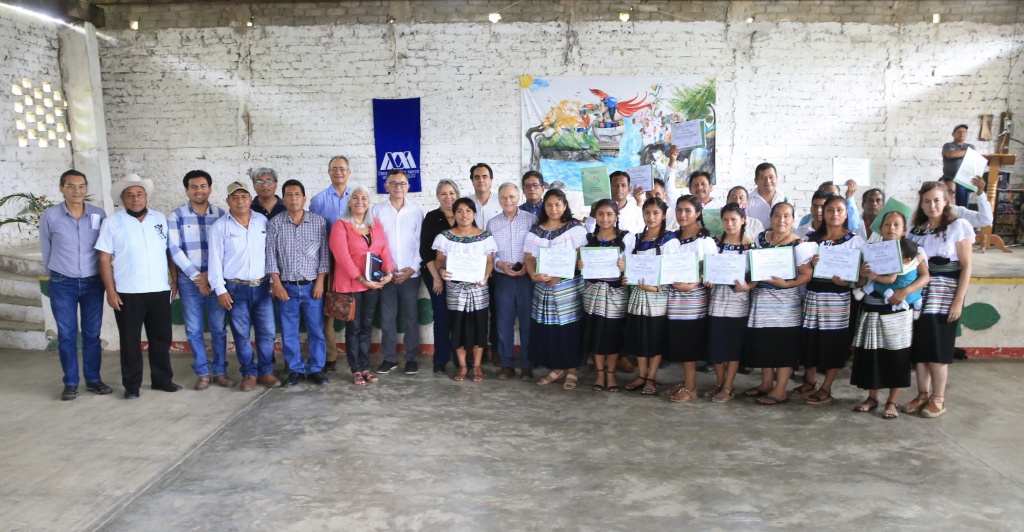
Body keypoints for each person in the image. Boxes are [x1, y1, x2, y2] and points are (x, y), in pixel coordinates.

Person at [95, 174, 181, 399]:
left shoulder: (159, 219)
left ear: (146, 196)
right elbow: (104, 258)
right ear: (123, 199)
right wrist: (110, 291)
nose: (136, 199)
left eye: (139, 194)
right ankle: (132, 386)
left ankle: (162, 380)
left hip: (159, 290)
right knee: (130, 341)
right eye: (130, 195)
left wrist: (173, 280)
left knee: (161, 339)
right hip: (127, 292)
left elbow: (169, 252)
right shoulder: (112, 223)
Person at [850, 211, 930, 419]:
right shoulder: (870, 250)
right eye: (887, 224)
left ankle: (892, 401)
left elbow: (925, 277)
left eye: (896, 225)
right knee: (873, 355)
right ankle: (872, 397)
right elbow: (859, 283)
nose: (891, 228)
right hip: (872, 308)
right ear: (881, 228)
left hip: (899, 310)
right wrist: (862, 275)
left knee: (897, 355)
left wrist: (905, 292)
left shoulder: (913, 250)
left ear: (904, 230)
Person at [905, 181, 973, 418]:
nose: (931, 205)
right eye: (926, 201)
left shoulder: (958, 226)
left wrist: (958, 300)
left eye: (936, 200)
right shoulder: (916, 231)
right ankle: (922, 394)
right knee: (921, 348)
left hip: (945, 294)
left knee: (937, 348)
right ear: (921, 203)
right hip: (920, 295)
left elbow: (966, 267)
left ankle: (938, 398)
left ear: (946, 201)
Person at [41, 169, 109, 401]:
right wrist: (52, 274)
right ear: (62, 188)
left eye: (81, 186)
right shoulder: (51, 216)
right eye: (71, 186)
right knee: (67, 335)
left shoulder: (98, 214)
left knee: (92, 334)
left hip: (93, 283)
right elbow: (46, 248)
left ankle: (93, 379)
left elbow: (105, 247)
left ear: (86, 188)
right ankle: (70, 382)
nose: (76, 190)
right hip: (62, 283)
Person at [792, 195, 865, 405]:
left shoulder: (855, 241)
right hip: (813, 294)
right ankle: (810, 380)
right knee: (810, 339)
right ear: (823, 213)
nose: (834, 214)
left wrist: (848, 281)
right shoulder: (812, 240)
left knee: (833, 342)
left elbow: (862, 278)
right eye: (830, 210)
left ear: (846, 214)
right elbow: (801, 270)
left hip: (838, 298)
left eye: (839, 210)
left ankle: (826, 387)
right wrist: (810, 264)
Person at [208, 182, 279, 391]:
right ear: (228, 201)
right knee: (241, 335)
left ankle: (266, 371)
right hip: (235, 289)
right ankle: (249, 373)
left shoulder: (262, 221)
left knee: (267, 332)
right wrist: (220, 290)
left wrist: (274, 281)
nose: (240, 201)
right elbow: (214, 260)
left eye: (244, 197)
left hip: (262, 287)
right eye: (235, 197)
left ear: (250, 199)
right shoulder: (220, 226)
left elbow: (270, 253)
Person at [742, 202, 815, 405]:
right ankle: (766, 384)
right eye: (777, 215)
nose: (781, 220)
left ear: (793, 219)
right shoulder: (761, 239)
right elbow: (754, 267)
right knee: (765, 342)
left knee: (784, 345)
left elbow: (806, 275)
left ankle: (780, 389)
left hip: (786, 302)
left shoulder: (799, 244)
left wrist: (786, 284)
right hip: (762, 299)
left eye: (786, 216)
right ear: (771, 217)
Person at [168, 170, 230, 391]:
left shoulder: (222, 215)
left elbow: (226, 249)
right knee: (194, 329)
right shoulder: (176, 216)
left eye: (203, 186)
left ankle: (220, 371)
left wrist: (210, 276)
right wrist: (197, 277)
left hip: (216, 279)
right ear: (187, 190)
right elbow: (174, 249)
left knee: (219, 329)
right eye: (193, 187)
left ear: (210, 189)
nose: (199, 190)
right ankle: (203, 373)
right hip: (189, 281)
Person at [266, 179, 330, 387]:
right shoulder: (275, 223)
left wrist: (320, 282)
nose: (293, 198)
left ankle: (316, 369)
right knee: (289, 331)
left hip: (312, 286)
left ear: (304, 198)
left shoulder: (318, 222)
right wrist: (276, 284)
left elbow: (324, 255)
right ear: (283, 199)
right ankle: (295, 369)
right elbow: (270, 256)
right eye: (288, 195)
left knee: (316, 330)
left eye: (297, 194)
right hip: (286, 287)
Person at [523, 189, 588, 389]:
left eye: (558, 204)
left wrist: (559, 276)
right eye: (549, 205)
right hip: (543, 288)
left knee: (569, 329)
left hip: (568, 289)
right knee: (549, 330)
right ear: (544, 207)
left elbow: (581, 255)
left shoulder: (574, 228)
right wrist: (534, 276)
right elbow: (528, 258)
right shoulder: (536, 231)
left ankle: (572, 370)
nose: (553, 209)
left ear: (565, 206)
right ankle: (557, 369)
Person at [329, 186, 395, 386]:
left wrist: (389, 273)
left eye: (364, 198)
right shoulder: (341, 226)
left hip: (372, 285)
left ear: (369, 202)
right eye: (355, 197)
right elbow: (342, 257)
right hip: (351, 285)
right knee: (354, 328)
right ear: (349, 202)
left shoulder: (375, 224)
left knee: (366, 327)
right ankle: (356, 369)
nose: (360, 201)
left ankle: (365, 368)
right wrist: (361, 279)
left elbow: (384, 250)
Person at [434, 198, 498, 382]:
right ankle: (462, 366)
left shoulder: (485, 236)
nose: (464, 215)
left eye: (468, 211)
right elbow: (439, 260)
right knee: (457, 327)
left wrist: (486, 276)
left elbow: (490, 261)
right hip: (455, 290)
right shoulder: (445, 236)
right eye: (459, 211)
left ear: (474, 213)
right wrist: (441, 270)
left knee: (479, 327)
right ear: (454, 214)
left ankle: (477, 366)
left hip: (479, 289)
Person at [663, 195, 718, 403]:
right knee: (679, 340)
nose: (682, 214)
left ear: (698, 213)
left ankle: (691, 386)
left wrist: (694, 284)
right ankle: (686, 381)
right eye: (679, 210)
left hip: (693, 299)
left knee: (689, 341)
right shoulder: (672, 239)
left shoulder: (705, 241)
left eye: (688, 210)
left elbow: (710, 271)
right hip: (674, 297)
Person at [622, 198, 679, 396]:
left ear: (663, 215)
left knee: (654, 338)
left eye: (656, 213)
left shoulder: (669, 240)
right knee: (640, 337)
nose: (651, 217)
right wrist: (626, 275)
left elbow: (672, 271)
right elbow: (629, 265)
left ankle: (651, 377)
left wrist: (655, 287)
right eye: (647, 212)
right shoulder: (636, 238)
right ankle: (641, 374)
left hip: (657, 297)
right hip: (638, 295)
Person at [371, 169, 423, 375]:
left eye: (402, 183)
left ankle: (411, 359)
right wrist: (387, 270)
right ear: (386, 186)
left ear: (408, 187)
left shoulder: (416, 211)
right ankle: (389, 358)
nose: (398, 187)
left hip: (411, 274)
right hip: (387, 275)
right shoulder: (377, 211)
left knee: (411, 318)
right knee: (387, 318)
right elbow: (375, 244)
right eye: (393, 183)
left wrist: (413, 268)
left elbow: (420, 242)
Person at [486, 183, 538, 380]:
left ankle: (527, 365)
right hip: (503, 278)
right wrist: (500, 264)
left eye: (511, 196)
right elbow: (490, 252)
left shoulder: (531, 219)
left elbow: (537, 247)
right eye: (503, 197)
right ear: (499, 199)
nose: (508, 200)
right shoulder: (492, 223)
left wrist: (527, 265)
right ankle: (506, 364)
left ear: (518, 198)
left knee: (527, 323)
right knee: (503, 323)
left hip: (526, 278)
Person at [705, 203, 754, 403]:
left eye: (734, 219)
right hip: (717, 299)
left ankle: (728, 385)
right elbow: (708, 267)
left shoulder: (750, 245)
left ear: (743, 220)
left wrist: (748, 286)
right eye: (725, 219)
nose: (729, 224)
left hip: (738, 301)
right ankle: (719, 382)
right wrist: (707, 278)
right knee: (716, 343)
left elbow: (758, 273)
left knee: (732, 345)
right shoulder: (715, 243)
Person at [578, 199, 628, 392]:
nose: (604, 218)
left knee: (612, 335)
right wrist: (580, 265)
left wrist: (625, 267)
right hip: (593, 295)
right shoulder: (589, 238)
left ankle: (611, 373)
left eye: (609, 214)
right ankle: (600, 373)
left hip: (616, 295)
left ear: (616, 216)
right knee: (597, 334)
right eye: (600, 214)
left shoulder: (626, 238)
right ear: (595, 216)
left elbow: (636, 265)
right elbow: (581, 265)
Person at [309, 156, 353, 373]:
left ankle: (356, 357)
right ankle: (330, 356)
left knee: (353, 308)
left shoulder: (357, 197)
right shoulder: (318, 200)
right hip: (328, 263)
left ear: (349, 172)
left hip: (353, 264)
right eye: (334, 169)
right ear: (329, 172)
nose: (339, 172)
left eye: (342, 169)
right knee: (327, 311)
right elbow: (312, 234)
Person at [420, 179, 459, 374]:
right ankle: (440, 360)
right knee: (442, 316)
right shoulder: (432, 217)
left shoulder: (464, 214)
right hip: (435, 275)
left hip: (460, 276)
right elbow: (425, 251)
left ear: (457, 195)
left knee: (459, 317)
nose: (448, 197)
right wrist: (437, 277)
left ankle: (460, 359)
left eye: (451, 193)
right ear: (437, 196)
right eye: (443, 193)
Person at [796, 180, 862, 233]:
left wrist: (849, 197)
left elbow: (854, 228)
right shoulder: (807, 220)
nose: (829, 199)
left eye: (833, 195)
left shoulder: (840, 218)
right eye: (824, 194)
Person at [746, 163, 791, 229]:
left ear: (776, 178)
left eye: (771, 177)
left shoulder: (785, 199)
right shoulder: (747, 202)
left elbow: (794, 225)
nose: (768, 181)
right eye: (763, 178)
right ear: (756, 181)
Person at [941, 124, 976, 207]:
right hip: (950, 177)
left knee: (962, 204)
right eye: (959, 132)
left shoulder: (970, 146)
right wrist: (968, 152)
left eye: (964, 132)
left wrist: (960, 153)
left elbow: (974, 157)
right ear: (953, 134)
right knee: (948, 195)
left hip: (964, 178)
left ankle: (961, 214)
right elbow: (951, 154)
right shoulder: (948, 145)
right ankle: (946, 212)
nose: (962, 133)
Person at [468, 163, 503, 228]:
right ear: (472, 181)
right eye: (477, 177)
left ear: (491, 180)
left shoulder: (501, 201)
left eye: (484, 177)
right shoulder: (466, 202)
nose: (481, 180)